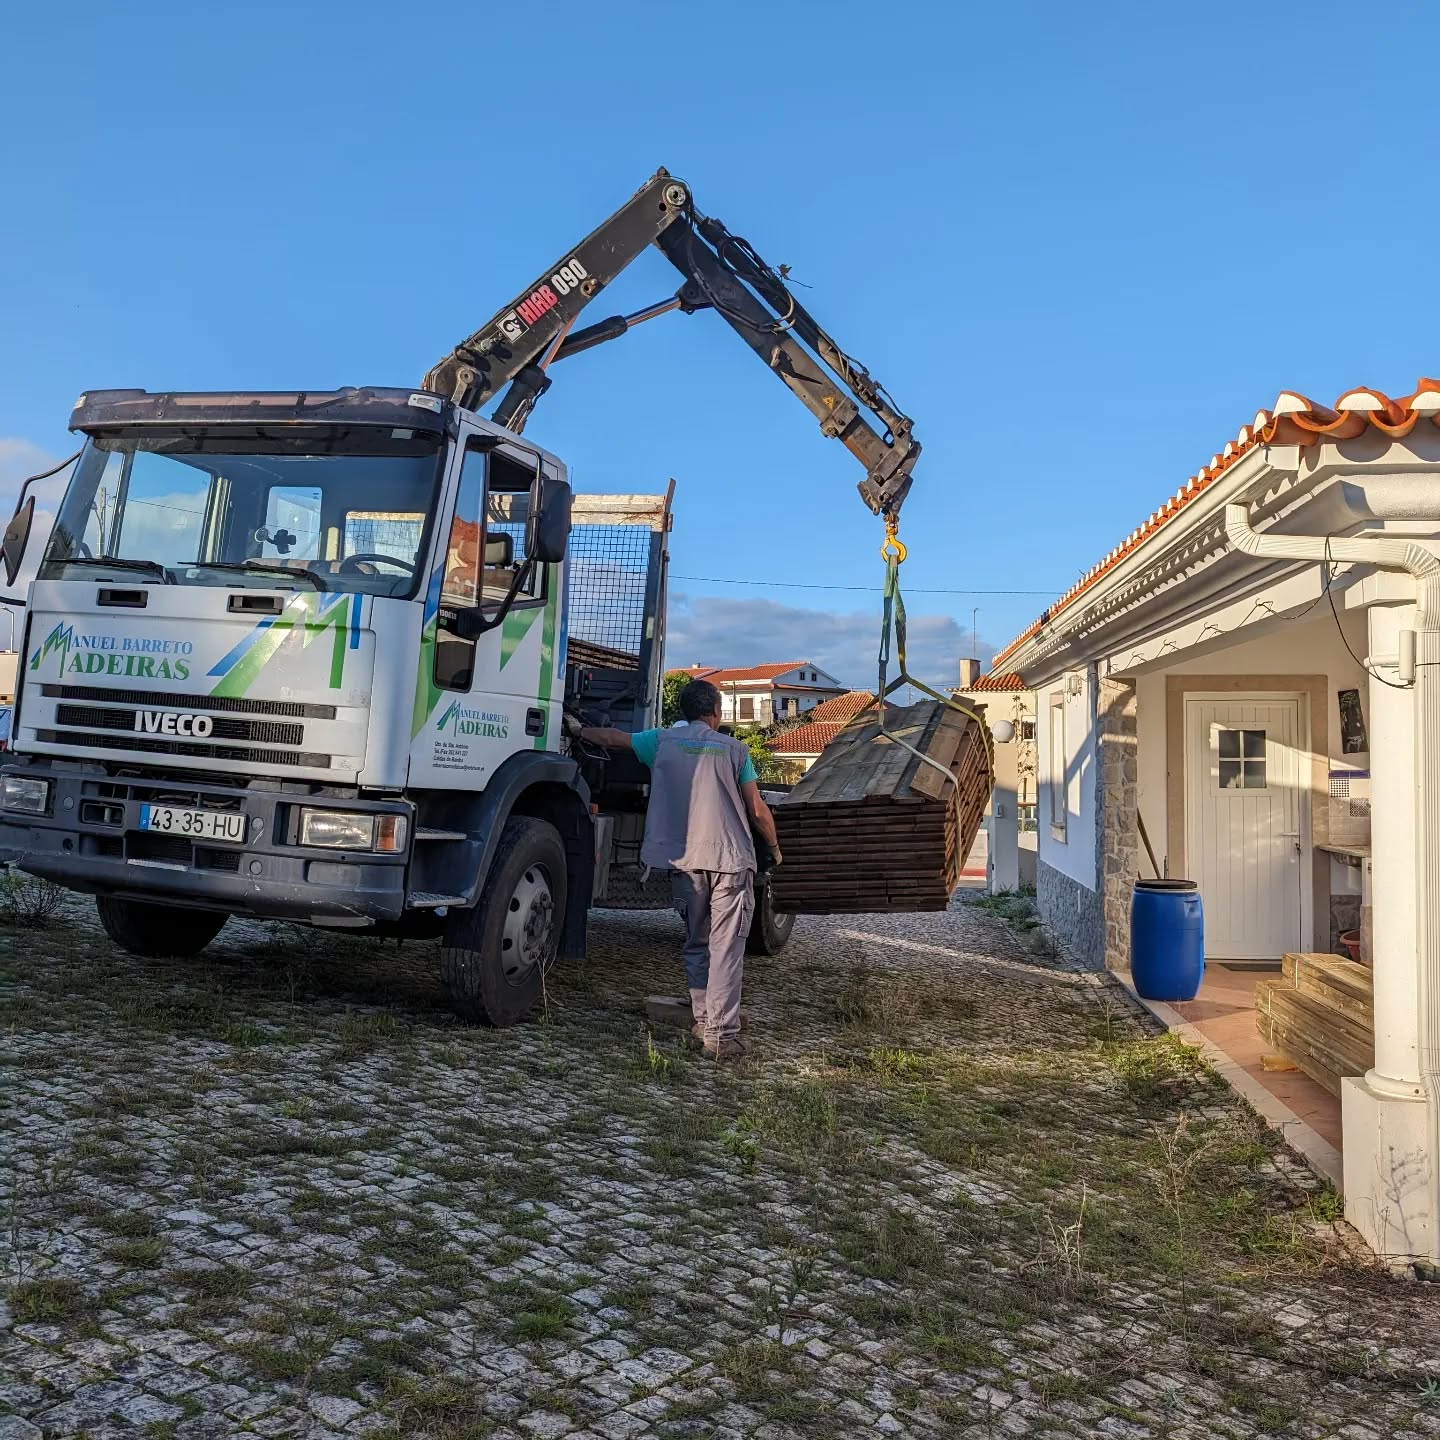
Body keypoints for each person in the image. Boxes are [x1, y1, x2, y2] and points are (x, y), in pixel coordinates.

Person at [566, 679, 781, 1060]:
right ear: (715, 713)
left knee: (697, 942)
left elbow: (615, 739)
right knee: (727, 947)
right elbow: (757, 810)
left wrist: (579, 730)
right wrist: (775, 849)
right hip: (730, 862)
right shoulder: (735, 750)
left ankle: (703, 1020)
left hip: (685, 862)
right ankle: (721, 1037)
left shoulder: (660, 742)